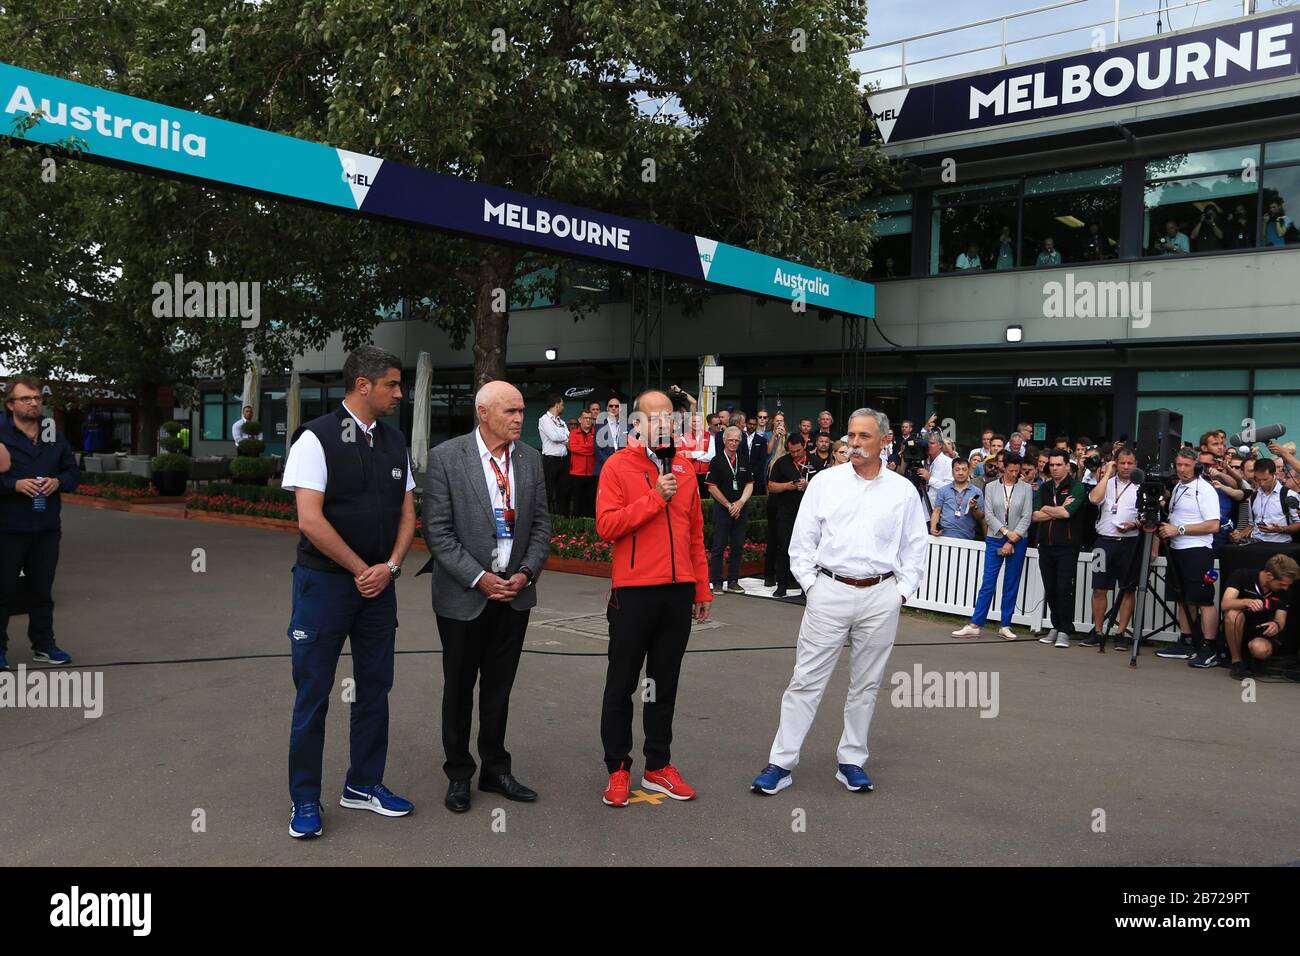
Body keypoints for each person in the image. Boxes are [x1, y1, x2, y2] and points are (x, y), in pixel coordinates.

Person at [751, 408, 928, 796]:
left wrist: (900, 593)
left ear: (884, 441)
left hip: (881, 595)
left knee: (866, 684)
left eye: (864, 436)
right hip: (828, 592)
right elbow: (801, 544)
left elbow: (916, 546)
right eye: (851, 435)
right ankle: (781, 763)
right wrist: (813, 588)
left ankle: (852, 760)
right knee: (805, 681)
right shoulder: (825, 483)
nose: (854, 443)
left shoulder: (902, 491)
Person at [281, 347, 417, 838]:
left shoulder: (395, 441)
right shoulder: (315, 439)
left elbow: (407, 513)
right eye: (393, 385)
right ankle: (304, 800)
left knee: (375, 688)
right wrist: (365, 570)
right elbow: (309, 520)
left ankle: (363, 785)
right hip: (324, 588)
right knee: (313, 694)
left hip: (380, 587)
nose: (400, 394)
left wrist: (392, 568)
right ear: (364, 384)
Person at [421, 380, 551, 814]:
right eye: (511, 411)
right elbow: (437, 532)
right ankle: (459, 773)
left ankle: (495, 769)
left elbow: (541, 526)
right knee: (458, 688)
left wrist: (527, 572)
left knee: (499, 688)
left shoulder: (531, 459)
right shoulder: (445, 458)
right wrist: (478, 578)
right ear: (483, 413)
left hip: (514, 595)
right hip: (464, 596)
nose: (519, 418)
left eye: (521, 411)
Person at [596, 389, 711, 807]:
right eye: (655, 418)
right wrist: (652, 498)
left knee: (662, 684)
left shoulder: (683, 467)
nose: (665, 425)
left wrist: (701, 588)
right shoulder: (617, 466)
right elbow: (607, 526)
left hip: (678, 593)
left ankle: (658, 765)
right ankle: (618, 768)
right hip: (633, 593)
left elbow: (695, 533)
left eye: (670, 418)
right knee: (622, 683)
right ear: (637, 424)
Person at [0, 375, 79, 672]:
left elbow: (73, 474)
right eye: (26, 398)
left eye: (37, 398)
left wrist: (58, 482)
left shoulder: (53, 434)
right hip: (6, 527)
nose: (34, 403)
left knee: (41, 590)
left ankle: (44, 645)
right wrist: (13, 485)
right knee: (3, 590)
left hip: (45, 528)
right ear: (10, 404)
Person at [1153, 447, 1223, 667]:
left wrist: (1179, 530)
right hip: (1177, 549)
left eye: (1187, 466)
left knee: (1203, 599)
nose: (1182, 470)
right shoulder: (1178, 487)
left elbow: (1214, 525)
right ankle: (1186, 641)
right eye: (1179, 465)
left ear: (1197, 467)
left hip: (1197, 550)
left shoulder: (1205, 489)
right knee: (1182, 598)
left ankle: (1209, 647)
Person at [952, 453, 1032, 640]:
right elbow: (988, 515)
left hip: (1018, 539)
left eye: (1016, 470)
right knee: (988, 582)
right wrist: (1006, 533)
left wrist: (1012, 539)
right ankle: (975, 624)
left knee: (1011, 583)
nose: (1013, 474)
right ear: (1003, 467)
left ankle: (1005, 624)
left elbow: (1027, 516)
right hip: (996, 537)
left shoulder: (1026, 488)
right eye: (1010, 470)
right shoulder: (991, 486)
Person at [1081, 450, 1141, 648]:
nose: (1125, 467)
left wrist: (1135, 525)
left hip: (1130, 543)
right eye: (1121, 463)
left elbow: (1151, 518)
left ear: (1135, 464)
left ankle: (1121, 632)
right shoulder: (1106, 483)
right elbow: (1093, 500)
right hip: (1104, 542)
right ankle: (1098, 631)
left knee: (1127, 590)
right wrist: (1107, 473)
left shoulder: (1141, 486)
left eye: (1129, 463)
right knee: (1099, 588)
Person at [1032, 449, 1086, 647]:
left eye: (1058, 465)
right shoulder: (1044, 488)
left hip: (1067, 546)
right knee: (1051, 588)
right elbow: (1035, 515)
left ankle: (1065, 629)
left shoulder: (1076, 487)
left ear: (1067, 466)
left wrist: (1049, 509)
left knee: (1064, 588)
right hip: (1045, 545)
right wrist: (1052, 510)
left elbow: (1067, 514)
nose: (1054, 468)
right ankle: (1055, 626)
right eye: (1051, 465)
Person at [1221, 554, 1298, 680]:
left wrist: (1276, 625)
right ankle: (1236, 662)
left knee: (1260, 649)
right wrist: (1246, 602)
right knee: (1233, 614)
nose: (1285, 587)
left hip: (1262, 632)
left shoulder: (1286, 591)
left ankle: (1254, 660)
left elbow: (1281, 619)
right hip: (1238, 628)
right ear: (1269, 576)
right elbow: (1225, 603)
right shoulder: (1242, 575)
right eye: (1282, 584)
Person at [704, 425, 756, 593]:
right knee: (718, 546)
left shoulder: (744, 459)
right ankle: (716, 582)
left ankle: (733, 581)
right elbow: (711, 487)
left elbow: (749, 484)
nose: (734, 443)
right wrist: (728, 505)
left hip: (740, 508)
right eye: (731, 440)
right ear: (724, 440)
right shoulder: (717, 460)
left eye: (737, 440)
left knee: (738, 546)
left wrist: (740, 502)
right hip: (723, 508)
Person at [766, 434, 810, 598]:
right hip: (786, 511)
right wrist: (787, 486)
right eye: (792, 451)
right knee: (784, 548)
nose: (795, 454)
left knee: (807, 550)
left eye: (798, 450)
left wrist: (807, 485)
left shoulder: (813, 461)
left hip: (807, 513)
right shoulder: (782, 462)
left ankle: (804, 588)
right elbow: (771, 486)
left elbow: (824, 486)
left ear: (804, 445)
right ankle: (781, 585)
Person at [1234, 457, 1300, 545]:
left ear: (1274, 475)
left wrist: (1281, 529)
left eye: (1265, 479)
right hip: (1256, 544)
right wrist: (1240, 535)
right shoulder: (1253, 497)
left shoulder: (1289, 495)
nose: (1262, 483)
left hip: (1281, 545)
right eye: (1258, 479)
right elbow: (1251, 525)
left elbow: (1298, 523)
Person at [929, 458, 982, 540]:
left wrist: (973, 508)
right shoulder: (943, 490)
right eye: (957, 469)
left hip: (967, 538)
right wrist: (933, 528)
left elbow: (981, 518)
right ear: (952, 472)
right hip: (943, 536)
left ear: (969, 471)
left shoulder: (977, 492)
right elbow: (936, 511)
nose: (960, 473)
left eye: (964, 469)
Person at [537, 392, 570, 517]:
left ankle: (562, 519)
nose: (563, 407)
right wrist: (564, 437)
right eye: (562, 404)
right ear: (556, 405)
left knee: (563, 491)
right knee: (548, 492)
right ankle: (547, 518)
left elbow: (570, 437)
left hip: (564, 459)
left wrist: (563, 437)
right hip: (550, 460)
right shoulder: (543, 420)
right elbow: (554, 436)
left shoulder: (561, 421)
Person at [564, 409, 597, 518]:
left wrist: (584, 449)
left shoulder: (596, 433)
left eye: (590, 418)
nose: (588, 420)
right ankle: (576, 528)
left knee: (591, 502)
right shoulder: (573, 433)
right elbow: (573, 448)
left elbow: (596, 449)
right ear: (580, 420)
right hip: (576, 473)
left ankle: (590, 528)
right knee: (577, 502)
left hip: (592, 473)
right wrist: (589, 450)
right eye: (585, 418)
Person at [593, 396, 626, 478]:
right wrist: (610, 463)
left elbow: (628, 447)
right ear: (607, 408)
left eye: (616, 406)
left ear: (620, 408)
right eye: (611, 406)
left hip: (622, 468)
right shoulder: (600, 425)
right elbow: (598, 449)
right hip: (604, 467)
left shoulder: (625, 425)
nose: (613, 408)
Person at [916, 432, 953, 505]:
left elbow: (949, 488)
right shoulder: (923, 462)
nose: (929, 446)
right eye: (928, 444)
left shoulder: (948, 462)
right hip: (924, 505)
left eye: (932, 443)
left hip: (940, 508)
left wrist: (930, 479)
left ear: (940, 445)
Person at [743, 413, 770, 495]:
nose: (752, 426)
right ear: (746, 424)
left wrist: (753, 472)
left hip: (756, 476)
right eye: (750, 424)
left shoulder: (761, 440)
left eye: (754, 424)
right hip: (741, 473)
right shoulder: (740, 437)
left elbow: (762, 459)